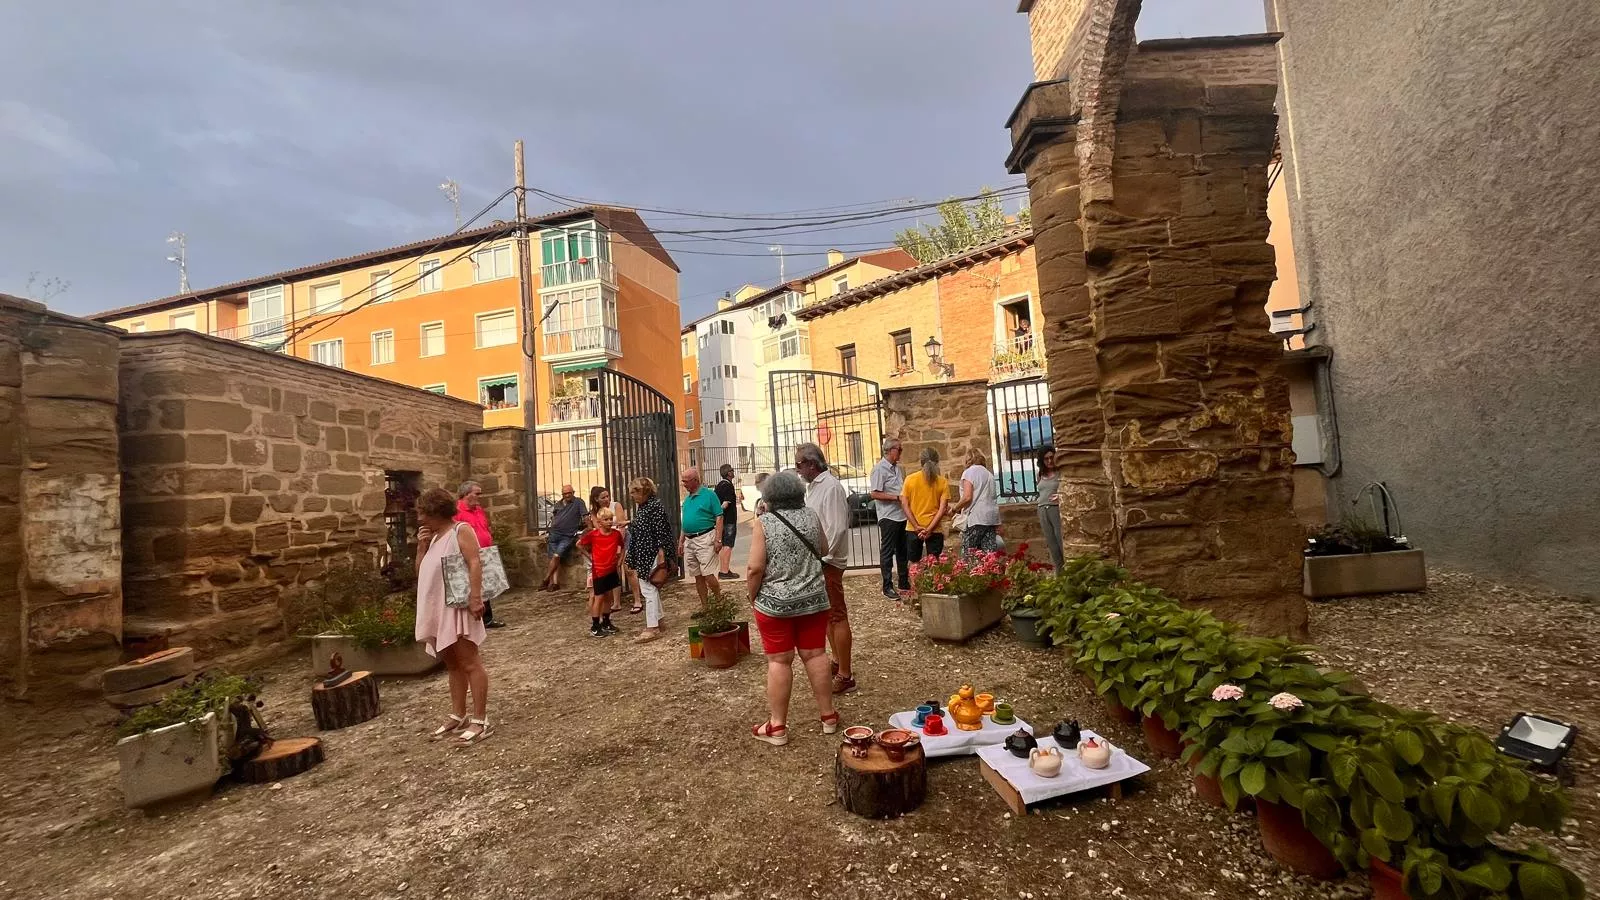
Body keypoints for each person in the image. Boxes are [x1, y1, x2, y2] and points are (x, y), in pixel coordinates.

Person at [746, 471, 840, 746]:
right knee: (816, 654)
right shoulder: (811, 516)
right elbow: (824, 548)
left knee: (779, 660)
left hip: (775, 604)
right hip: (813, 599)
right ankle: (828, 716)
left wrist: (752, 596)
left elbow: (754, 568)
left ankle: (777, 726)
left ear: (769, 496)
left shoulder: (764, 522)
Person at [414, 487, 492, 744]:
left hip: (457, 607)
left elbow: (475, 562)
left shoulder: (461, 530)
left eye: (423, 512)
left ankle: (480, 720)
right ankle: (459, 715)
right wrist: (421, 547)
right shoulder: (433, 537)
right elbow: (421, 572)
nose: (419, 518)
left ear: (436, 511)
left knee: (470, 662)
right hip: (438, 608)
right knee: (452, 664)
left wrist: (476, 598)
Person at [794, 442, 855, 695]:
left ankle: (846, 674)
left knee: (837, 615)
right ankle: (838, 661)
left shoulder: (830, 487)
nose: (797, 470)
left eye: (799, 464)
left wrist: (824, 558)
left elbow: (837, 528)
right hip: (820, 560)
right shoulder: (816, 488)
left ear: (811, 464)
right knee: (828, 615)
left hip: (828, 562)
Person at [625, 476, 672, 643]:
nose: (632, 496)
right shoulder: (645, 507)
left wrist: (662, 555)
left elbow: (662, 532)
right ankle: (659, 620)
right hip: (644, 553)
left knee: (648, 589)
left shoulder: (654, 507)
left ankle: (652, 627)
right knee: (650, 588)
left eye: (634, 492)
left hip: (651, 553)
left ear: (643, 491)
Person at [454, 480, 505, 628]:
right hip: (469, 555)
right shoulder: (457, 512)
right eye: (477, 493)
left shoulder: (478, 510)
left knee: (485, 586)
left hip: (484, 553)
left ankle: (487, 619)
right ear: (466, 494)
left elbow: (485, 527)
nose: (479, 497)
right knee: (473, 586)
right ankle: (474, 620)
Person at [677, 467, 725, 616]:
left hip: (705, 537)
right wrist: (681, 541)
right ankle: (705, 607)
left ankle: (719, 600)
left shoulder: (709, 495)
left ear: (695, 480)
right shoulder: (687, 500)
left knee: (708, 574)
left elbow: (719, 516)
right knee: (697, 575)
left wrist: (718, 539)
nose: (684, 484)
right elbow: (685, 523)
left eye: (686, 481)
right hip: (690, 540)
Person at [869, 438, 910, 600]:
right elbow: (874, 493)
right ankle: (887, 586)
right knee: (887, 551)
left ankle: (904, 582)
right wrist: (896, 497)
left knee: (902, 550)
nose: (901, 452)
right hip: (888, 516)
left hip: (900, 515)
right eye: (899, 449)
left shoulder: (897, 469)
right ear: (891, 450)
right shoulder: (879, 469)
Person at [588, 486, 635, 613]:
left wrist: (618, 546)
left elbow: (621, 526)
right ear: (596, 499)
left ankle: (636, 599)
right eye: (603, 497)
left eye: (607, 496)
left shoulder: (616, 506)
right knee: (613, 571)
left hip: (622, 539)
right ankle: (616, 602)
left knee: (628, 568)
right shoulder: (594, 512)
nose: (606, 499)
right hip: (607, 544)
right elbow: (599, 529)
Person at [579, 508, 624, 637]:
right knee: (599, 597)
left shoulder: (616, 534)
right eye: (606, 519)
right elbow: (579, 544)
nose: (609, 522)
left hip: (611, 569)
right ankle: (595, 625)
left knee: (608, 597)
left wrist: (620, 561)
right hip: (599, 570)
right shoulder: (594, 535)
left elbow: (622, 547)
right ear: (599, 522)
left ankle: (606, 622)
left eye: (610, 519)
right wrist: (590, 557)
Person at [900, 448, 950, 563]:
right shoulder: (942, 482)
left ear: (921, 461)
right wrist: (929, 529)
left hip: (913, 528)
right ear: (937, 462)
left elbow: (904, 504)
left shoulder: (910, 480)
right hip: (935, 528)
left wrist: (916, 526)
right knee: (934, 565)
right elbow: (942, 509)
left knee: (914, 564)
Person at [953, 447, 1002, 553]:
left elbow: (967, 497)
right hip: (991, 518)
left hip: (976, 518)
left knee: (969, 553)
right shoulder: (989, 474)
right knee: (988, 555)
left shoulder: (969, 472)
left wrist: (955, 508)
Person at [541, 484, 584, 591]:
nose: (567, 495)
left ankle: (545, 579)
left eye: (569, 493)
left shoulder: (578, 502)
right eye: (565, 493)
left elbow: (585, 516)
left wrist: (588, 528)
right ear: (562, 494)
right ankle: (554, 584)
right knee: (554, 558)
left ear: (573, 493)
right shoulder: (558, 504)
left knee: (556, 556)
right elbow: (554, 518)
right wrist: (549, 531)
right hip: (554, 534)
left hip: (567, 536)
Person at [1035, 448, 1065, 571]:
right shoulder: (1040, 474)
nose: (1049, 461)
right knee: (1052, 543)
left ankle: (1068, 571)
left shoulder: (1060, 472)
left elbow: (1066, 489)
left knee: (1060, 540)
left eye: (1051, 457)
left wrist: (1060, 495)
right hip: (1042, 510)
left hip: (1055, 509)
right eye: (1046, 459)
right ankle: (1059, 573)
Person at [714, 463, 741, 580]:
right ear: (728, 473)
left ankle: (723, 569)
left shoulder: (719, 485)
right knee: (728, 545)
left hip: (721, 521)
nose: (733, 472)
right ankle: (724, 571)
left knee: (723, 544)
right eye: (732, 470)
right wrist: (720, 511)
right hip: (729, 520)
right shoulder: (728, 486)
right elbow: (725, 503)